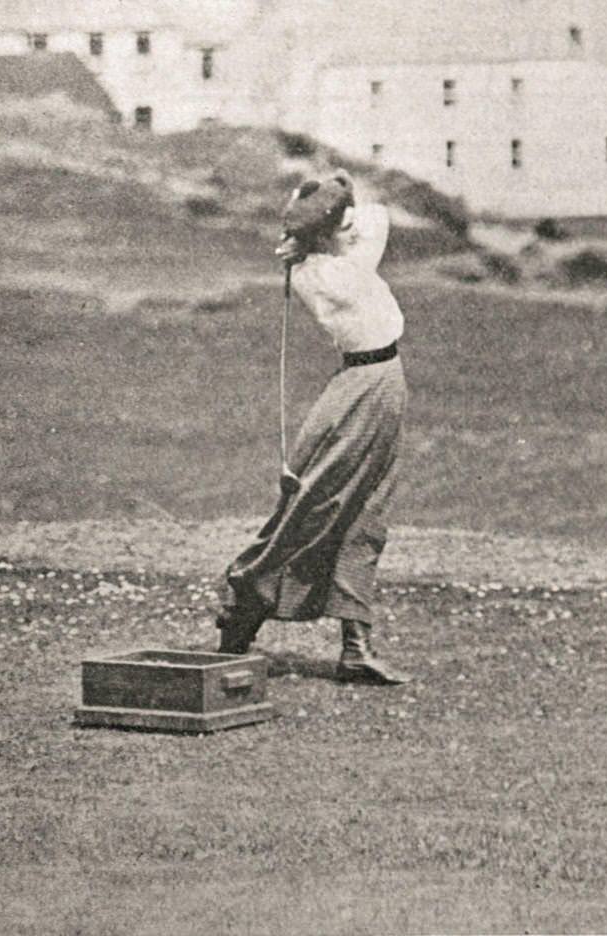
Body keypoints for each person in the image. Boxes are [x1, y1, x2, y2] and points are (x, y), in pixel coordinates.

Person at [214, 170, 412, 685]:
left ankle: (355, 647)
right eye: (340, 225)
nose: (352, 227)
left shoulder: (317, 262)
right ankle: (240, 610)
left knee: (366, 512)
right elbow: (378, 221)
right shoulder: (336, 273)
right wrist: (341, 197)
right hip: (364, 387)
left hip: (382, 383)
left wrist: (319, 209)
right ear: (327, 234)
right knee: (316, 509)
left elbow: (362, 224)